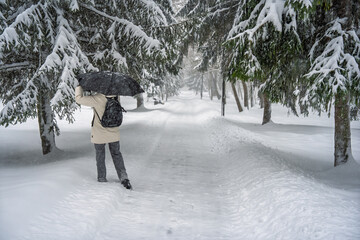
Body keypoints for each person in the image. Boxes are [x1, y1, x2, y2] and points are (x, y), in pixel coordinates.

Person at [75, 86, 132, 190]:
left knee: (100, 155)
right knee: (116, 154)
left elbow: (78, 99)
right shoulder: (116, 97)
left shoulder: (97, 98)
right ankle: (123, 177)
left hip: (99, 132)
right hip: (113, 132)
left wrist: (80, 87)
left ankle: (102, 177)